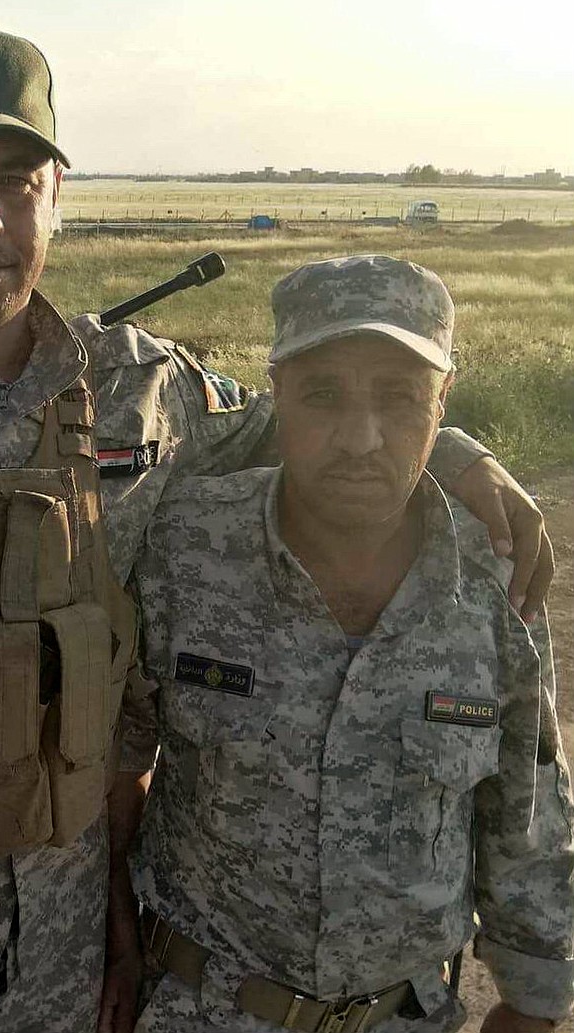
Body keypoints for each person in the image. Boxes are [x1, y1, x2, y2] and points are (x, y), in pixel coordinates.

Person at [0, 29, 553, 1033]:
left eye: (20, 180)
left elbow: (317, 418)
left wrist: (459, 451)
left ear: (57, 194)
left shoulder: (146, 394)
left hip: (62, 979)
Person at [129, 255, 573, 1033]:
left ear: (444, 406)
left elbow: (527, 821)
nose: (361, 438)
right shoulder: (184, 547)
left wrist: (532, 1009)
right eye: (323, 394)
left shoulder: (497, 582)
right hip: (195, 1010)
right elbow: (108, 767)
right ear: (277, 395)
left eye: (400, 398)